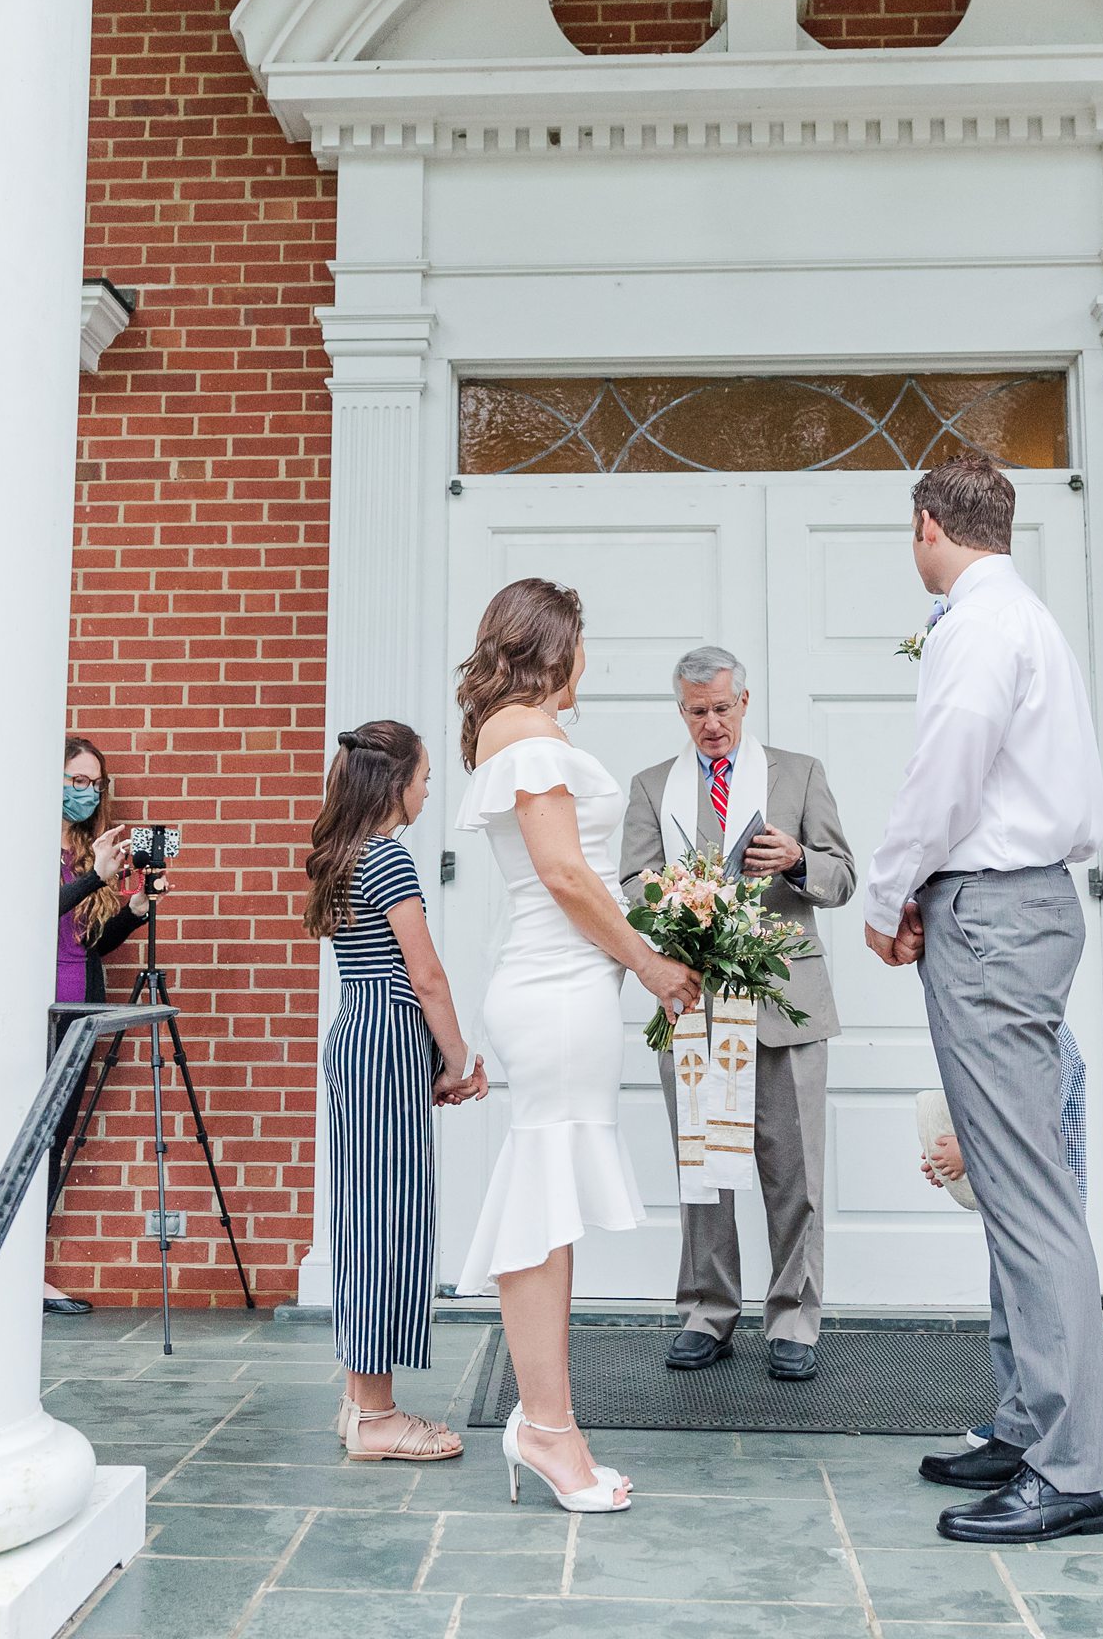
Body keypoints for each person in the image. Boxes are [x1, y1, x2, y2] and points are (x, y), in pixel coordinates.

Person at [863, 453, 1103, 1546]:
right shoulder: (1027, 618)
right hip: (1020, 904)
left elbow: (946, 771)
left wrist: (887, 893)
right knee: (1022, 1178)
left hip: (995, 913)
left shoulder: (972, 623)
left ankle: (1073, 1467)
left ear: (929, 523)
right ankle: (1026, 1422)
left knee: (1025, 1189)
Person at [454, 577, 700, 1514]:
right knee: (541, 1204)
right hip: (559, 989)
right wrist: (649, 963)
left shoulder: (514, 730)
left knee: (550, 1206)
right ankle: (548, 1428)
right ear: (556, 645)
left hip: (564, 987)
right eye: (583, 640)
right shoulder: (525, 734)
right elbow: (562, 871)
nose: (588, 657)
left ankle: (551, 1422)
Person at [617, 644, 854, 1384]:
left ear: (745, 704)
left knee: (796, 1175)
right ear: (680, 712)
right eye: (697, 712)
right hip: (695, 1005)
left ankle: (793, 1318)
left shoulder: (800, 773)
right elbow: (629, 879)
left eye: (722, 709)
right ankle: (707, 1312)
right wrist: (670, 896)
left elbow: (844, 877)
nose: (712, 724)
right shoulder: (652, 786)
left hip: (784, 1003)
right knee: (704, 1171)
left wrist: (797, 861)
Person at [302, 719, 490, 1464]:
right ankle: (378, 1417)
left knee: (361, 1217)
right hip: (389, 1033)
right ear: (396, 783)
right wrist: (456, 1059)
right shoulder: (390, 860)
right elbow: (427, 975)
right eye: (424, 777)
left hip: (355, 1031)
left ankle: (359, 1399)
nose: (428, 789)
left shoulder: (344, 857)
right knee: (388, 1219)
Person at [922, 1021, 1088, 1451]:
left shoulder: (1042, 1035)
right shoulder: (1005, 1029)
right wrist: (954, 1154)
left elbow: (1030, 1119)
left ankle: (1037, 1431)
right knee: (1010, 1320)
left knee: (1037, 1324)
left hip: (1040, 1212)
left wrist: (969, 1152)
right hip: (1014, 1203)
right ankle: (1016, 1422)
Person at [47, 733, 159, 1316]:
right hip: (39, 1012)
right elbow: (34, 909)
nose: (85, 793)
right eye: (75, 781)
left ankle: (29, 1273)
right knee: (30, 1140)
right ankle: (11, 1275)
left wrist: (134, 912)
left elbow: (91, 942)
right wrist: (94, 876)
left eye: (94, 784)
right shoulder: (36, 844)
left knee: (57, 1139)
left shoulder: (90, 852)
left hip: (82, 1009)